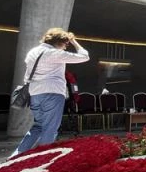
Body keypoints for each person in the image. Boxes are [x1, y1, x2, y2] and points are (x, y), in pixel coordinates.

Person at [11, 28, 89, 157]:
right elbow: (84, 56)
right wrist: (74, 42)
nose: (65, 47)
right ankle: (43, 158)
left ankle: (16, 156)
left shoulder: (33, 52)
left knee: (38, 126)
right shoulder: (55, 53)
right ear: (59, 42)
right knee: (50, 128)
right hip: (52, 93)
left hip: (35, 93)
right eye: (65, 44)